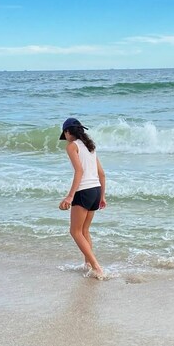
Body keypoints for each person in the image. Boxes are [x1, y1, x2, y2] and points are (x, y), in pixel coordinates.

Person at [58, 117, 107, 279]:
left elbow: (79, 171)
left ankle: (96, 266)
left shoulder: (72, 146)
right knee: (84, 230)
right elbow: (102, 174)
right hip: (95, 191)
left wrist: (70, 196)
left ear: (67, 132)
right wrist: (102, 196)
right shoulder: (90, 147)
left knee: (75, 231)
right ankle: (88, 265)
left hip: (84, 191)